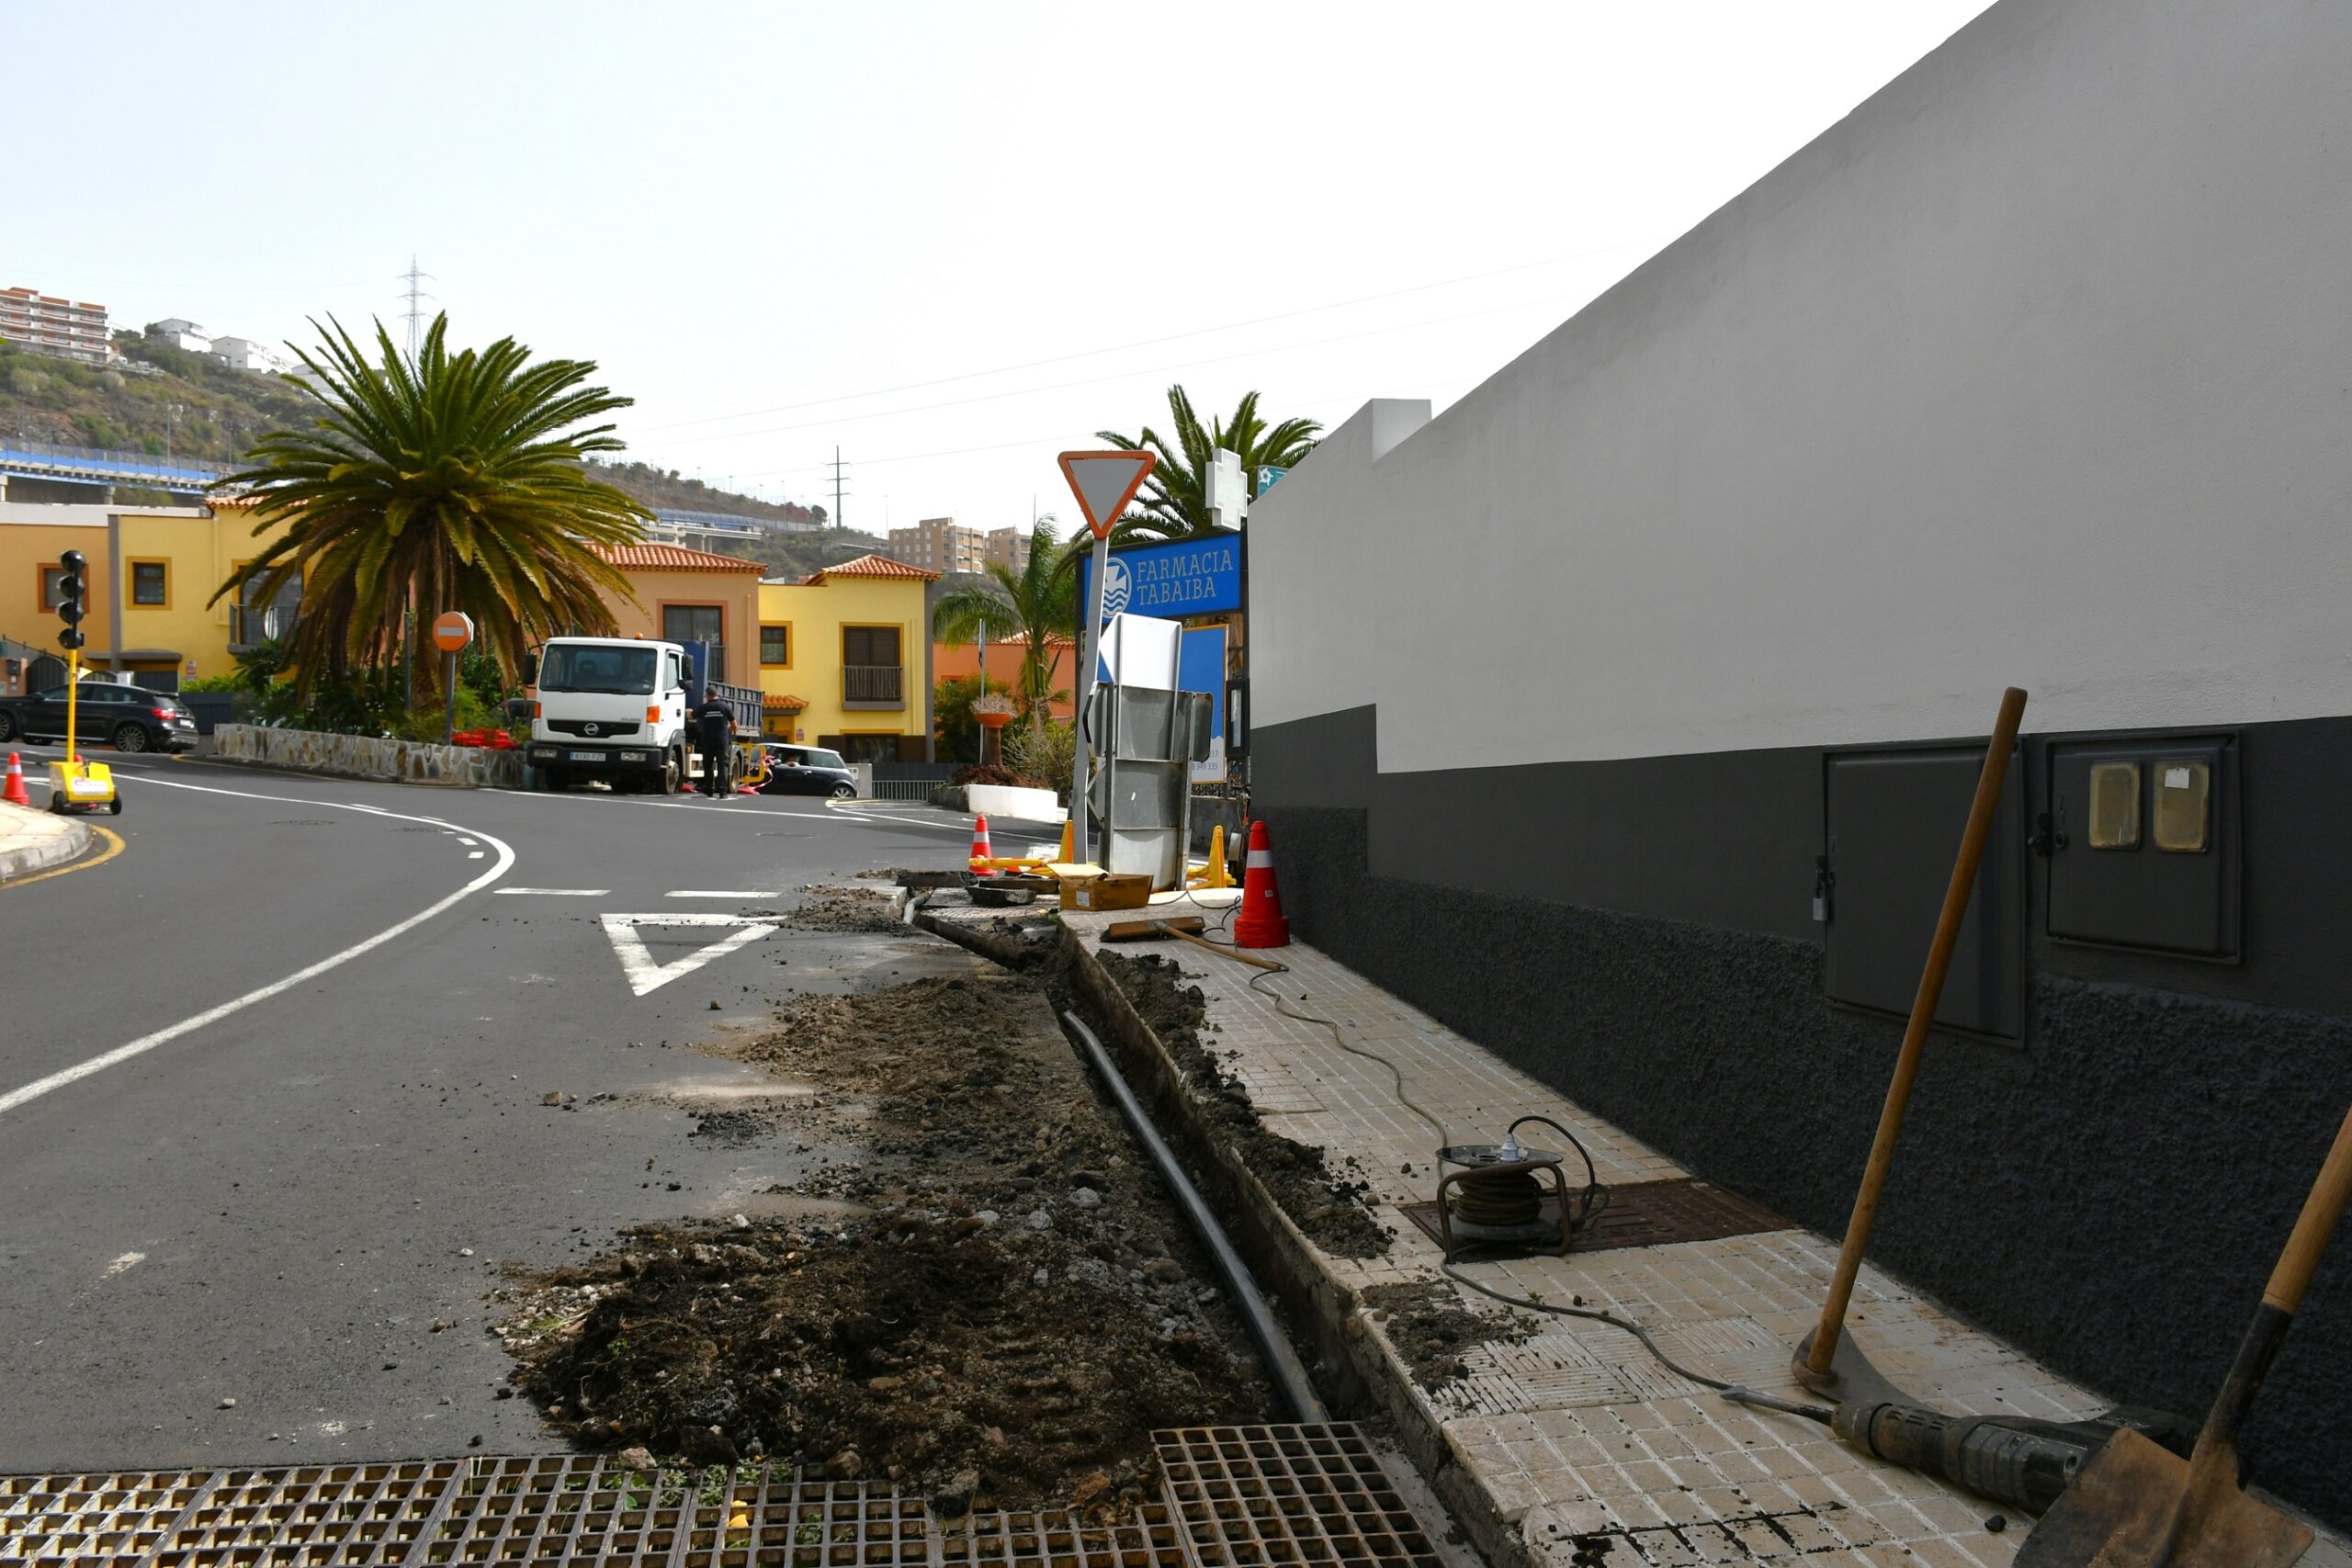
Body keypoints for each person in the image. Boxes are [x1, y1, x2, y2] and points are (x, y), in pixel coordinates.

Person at [693, 694, 734, 797]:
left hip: (708, 741)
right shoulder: (724, 707)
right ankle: (722, 791)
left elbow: (692, 716)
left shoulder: (704, 708)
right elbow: (734, 723)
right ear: (716, 695)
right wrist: (729, 732)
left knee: (708, 765)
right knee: (722, 766)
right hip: (722, 741)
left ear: (706, 696)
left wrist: (687, 712)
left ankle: (709, 789)